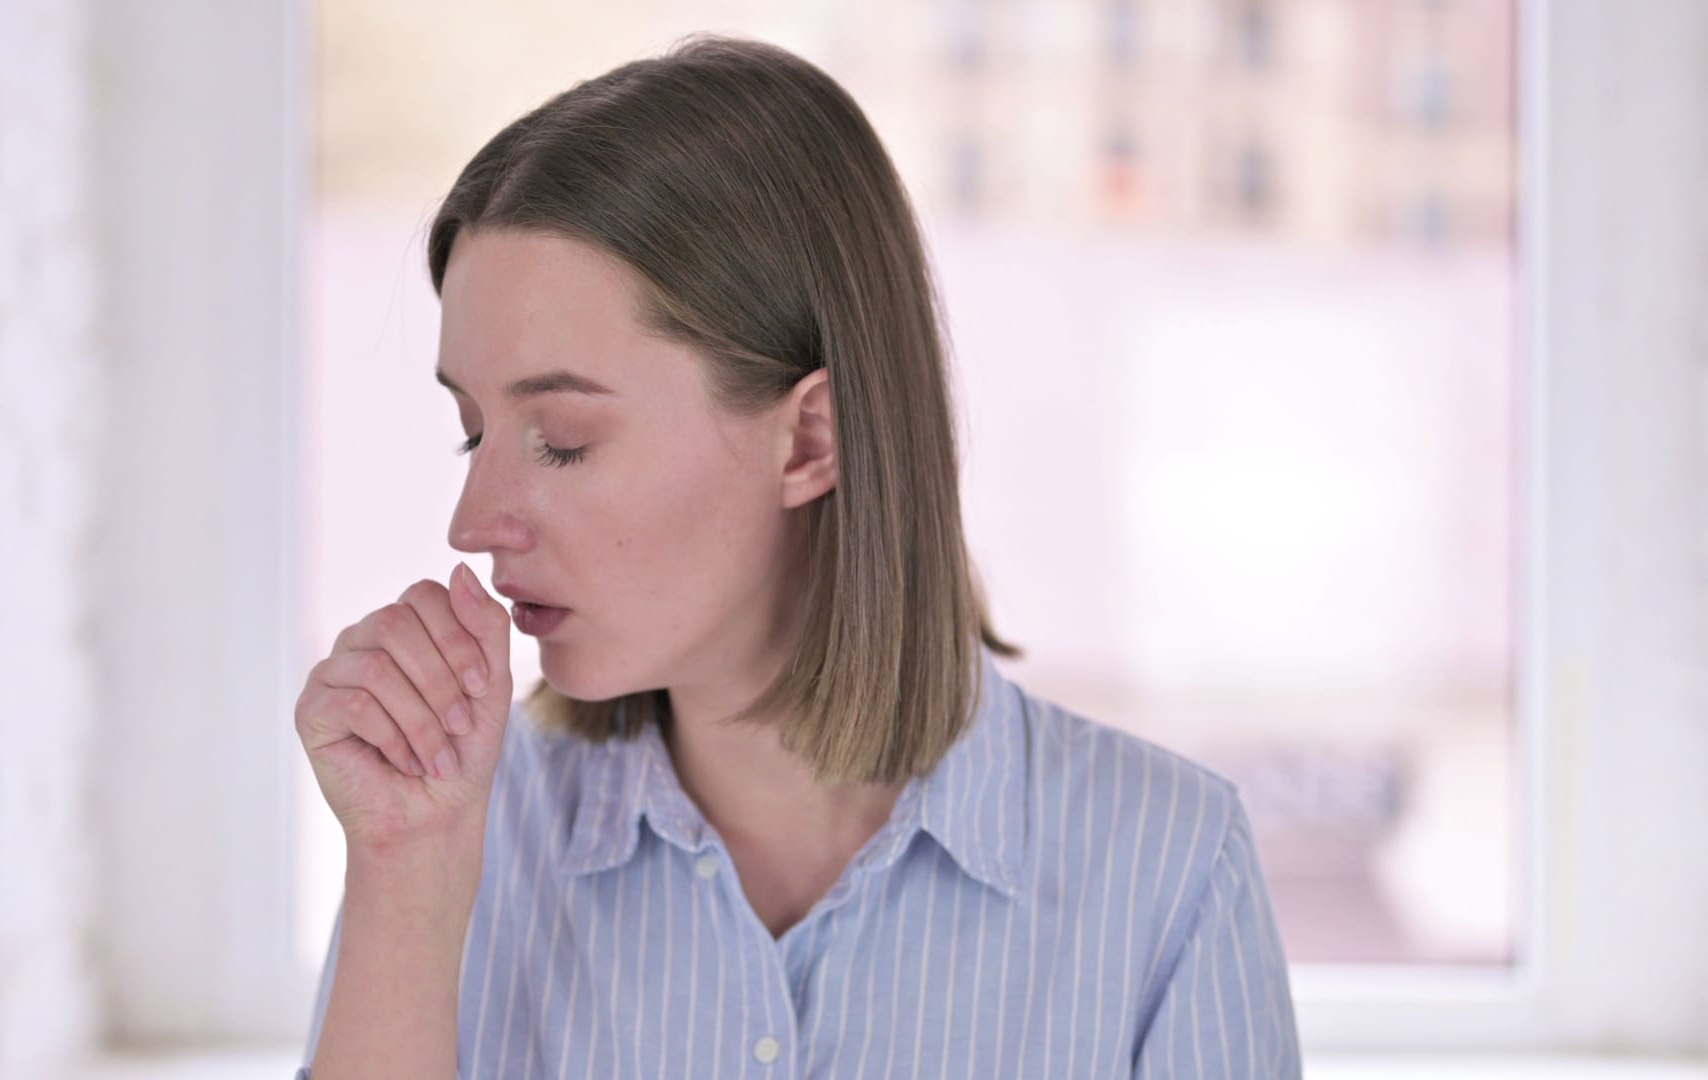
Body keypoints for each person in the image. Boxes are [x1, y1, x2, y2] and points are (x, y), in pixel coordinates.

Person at [293, 32, 1301, 1079]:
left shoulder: (1169, 871)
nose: (476, 517)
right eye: (473, 431)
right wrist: (403, 881)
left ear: (811, 439)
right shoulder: (451, 842)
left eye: (563, 438)